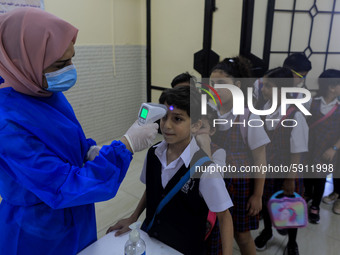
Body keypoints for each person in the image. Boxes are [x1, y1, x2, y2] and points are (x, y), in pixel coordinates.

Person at [0, 8, 158, 255]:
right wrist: (126, 146)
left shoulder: (43, 90)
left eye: (72, 58)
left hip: (76, 215)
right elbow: (63, 187)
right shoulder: (7, 123)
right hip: (38, 229)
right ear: (24, 61)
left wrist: (89, 151)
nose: (70, 70)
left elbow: (66, 138)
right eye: (61, 64)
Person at [107, 86, 234, 255]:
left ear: (196, 125)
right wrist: (133, 217)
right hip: (151, 240)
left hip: (184, 248)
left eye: (177, 119)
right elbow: (151, 190)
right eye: (164, 117)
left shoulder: (206, 168)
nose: (166, 125)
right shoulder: (153, 153)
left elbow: (224, 217)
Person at [208, 57, 270, 255]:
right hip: (216, 183)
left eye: (221, 83)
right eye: (211, 83)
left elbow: (261, 160)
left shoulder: (249, 117)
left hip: (241, 188)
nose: (214, 88)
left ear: (237, 85)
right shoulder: (209, 113)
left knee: (242, 236)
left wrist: (258, 195)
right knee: (216, 229)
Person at [254, 67, 309, 255]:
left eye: (268, 86)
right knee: (266, 201)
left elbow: (297, 152)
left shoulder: (296, 115)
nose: (262, 89)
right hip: (266, 169)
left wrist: (290, 178)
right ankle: (268, 231)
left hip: (287, 172)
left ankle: (292, 242)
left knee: (290, 207)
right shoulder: (262, 109)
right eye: (263, 85)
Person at [304, 69, 340, 223]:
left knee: (320, 179)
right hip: (309, 148)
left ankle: (315, 206)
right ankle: (307, 195)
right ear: (331, 87)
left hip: (327, 151)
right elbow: (303, 124)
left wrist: (334, 148)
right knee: (307, 176)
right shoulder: (312, 102)